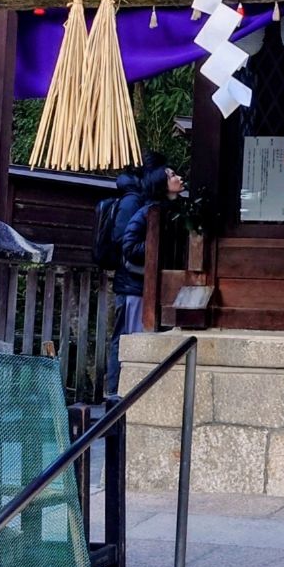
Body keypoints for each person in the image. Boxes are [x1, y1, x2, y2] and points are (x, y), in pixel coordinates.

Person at [105, 154, 184, 398]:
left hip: (148, 287)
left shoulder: (172, 211)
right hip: (136, 286)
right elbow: (128, 245)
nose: (178, 178)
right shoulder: (147, 211)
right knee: (132, 341)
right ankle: (118, 394)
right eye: (171, 175)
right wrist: (154, 248)